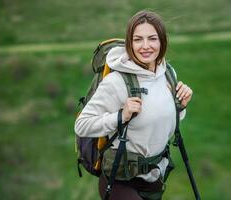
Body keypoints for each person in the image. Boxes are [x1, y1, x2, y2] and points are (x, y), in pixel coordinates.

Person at [75, 10, 193, 200]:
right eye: (138, 39)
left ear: (162, 41)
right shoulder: (116, 81)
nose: (145, 46)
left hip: (155, 181)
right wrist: (120, 116)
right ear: (130, 43)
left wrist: (180, 107)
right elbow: (81, 125)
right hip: (120, 181)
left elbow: (163, 123)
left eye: (152, 38)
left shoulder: (168, 74)